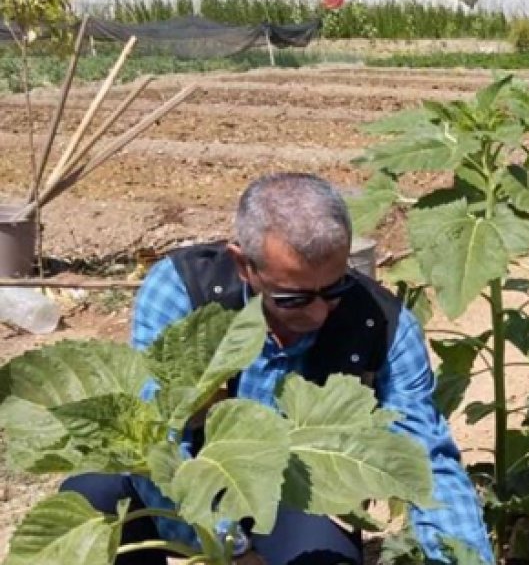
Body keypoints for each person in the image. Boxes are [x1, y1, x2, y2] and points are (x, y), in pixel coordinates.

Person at [58, 172, 493, 565]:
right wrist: (230, 550)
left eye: (336, 287)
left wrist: (465, 560)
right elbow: (159, 442)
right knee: (95, 496)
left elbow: (428, 462)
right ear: (244, 265)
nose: (321, 312)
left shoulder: (384, 324)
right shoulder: (184, 291)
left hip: (291, 489)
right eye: (294, 298)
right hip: (184, 475)